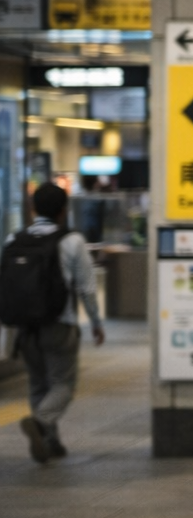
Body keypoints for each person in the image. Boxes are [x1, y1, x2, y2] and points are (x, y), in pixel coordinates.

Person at [0, 183, 104, 463]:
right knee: (63, 385)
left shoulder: (13, 239)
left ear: (33, 209)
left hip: (25, 327)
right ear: (63, 210)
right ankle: (41, 422)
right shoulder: (72, 241)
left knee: (38, 383)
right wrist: (95, 321)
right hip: (60, 323)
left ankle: (50, 442)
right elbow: (87, 287)